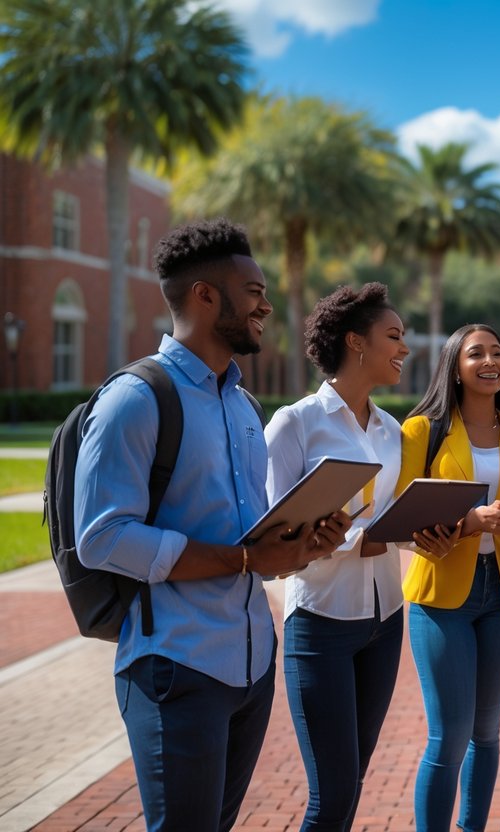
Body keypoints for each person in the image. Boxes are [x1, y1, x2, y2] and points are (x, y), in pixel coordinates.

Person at [75, 218, 352, 831]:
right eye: (253, 292)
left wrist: (302, 542)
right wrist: (247, 562)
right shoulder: (136, 397)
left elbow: (248, 532)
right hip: (176, 666)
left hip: (250, 665)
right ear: (205, 295)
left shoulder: (243, 404)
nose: (266, 305)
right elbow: (101, 536)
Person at [264, 283, 409, 831]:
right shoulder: (295, 424)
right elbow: (268, 539)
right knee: (331, 795)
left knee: (352, 786)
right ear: (355, 342)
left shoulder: (391, 432)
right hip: (320, 624)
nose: (404, 349)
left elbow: (395, 518)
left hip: (385, 622)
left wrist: (427, 527)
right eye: (393, 336)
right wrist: (355, 540)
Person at [400, 323, 500, 832]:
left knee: (486, 731)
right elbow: (401, 518)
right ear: (454, 365)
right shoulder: (421, 429)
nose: (489, 362)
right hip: (441, 595)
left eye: (497, 352)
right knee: (449, 734)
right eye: (476, 353)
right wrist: (467, 524)